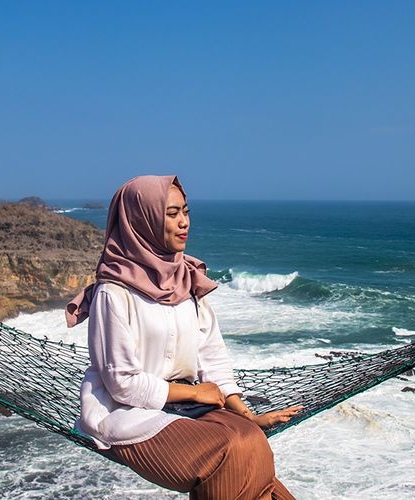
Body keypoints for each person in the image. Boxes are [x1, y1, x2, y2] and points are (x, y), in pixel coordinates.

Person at [66, 175, 300, 499]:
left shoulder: (186, 281)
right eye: (171, 214)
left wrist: (247, 415)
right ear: (141, 221)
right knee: (231, 451)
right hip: (129, 413)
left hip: (189, 409)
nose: (184, 223)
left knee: (253, 440)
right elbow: (121, 381)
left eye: (186, 212)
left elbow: (212, 357)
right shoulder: (113, 293)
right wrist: (192, 394)